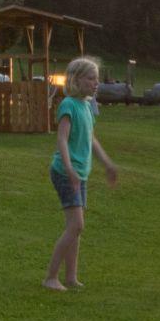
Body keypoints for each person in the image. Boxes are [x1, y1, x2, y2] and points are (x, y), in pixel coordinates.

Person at [44, 56, 119, 291]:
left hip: (79, 174)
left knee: (75, 228)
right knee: (76, 225)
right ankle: (50, 277)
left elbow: (91, 139)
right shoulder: (68, 105)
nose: (96, 83)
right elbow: (62, 140)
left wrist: (107, 164)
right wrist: (69, 169)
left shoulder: (86, 106)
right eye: (90, 78)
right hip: (65, 172)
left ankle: (71, 277)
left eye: (97, 79)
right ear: (76, 80)